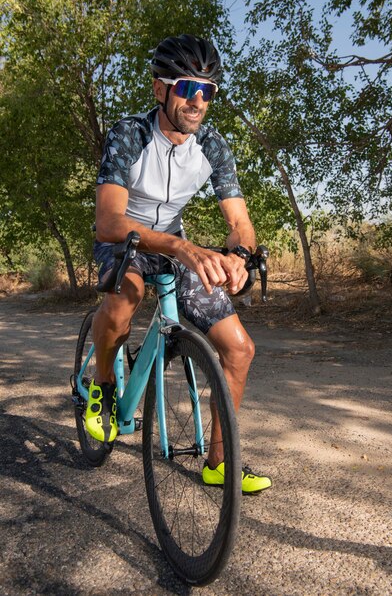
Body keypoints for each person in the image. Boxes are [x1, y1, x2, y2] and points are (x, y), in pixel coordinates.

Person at [87, 34, 271, 494]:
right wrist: (179, 248)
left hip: (174, 243)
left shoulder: (213, 145)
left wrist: (240, 256)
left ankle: (219, 464)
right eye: (188, 87)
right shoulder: (130, 134)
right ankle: (103, 385)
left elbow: (239, 222)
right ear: (160, 90)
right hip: (125, 240)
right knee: (124, 300)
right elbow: (108, 221)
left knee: (239, 350)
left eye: (207, 90)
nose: (197, 100)